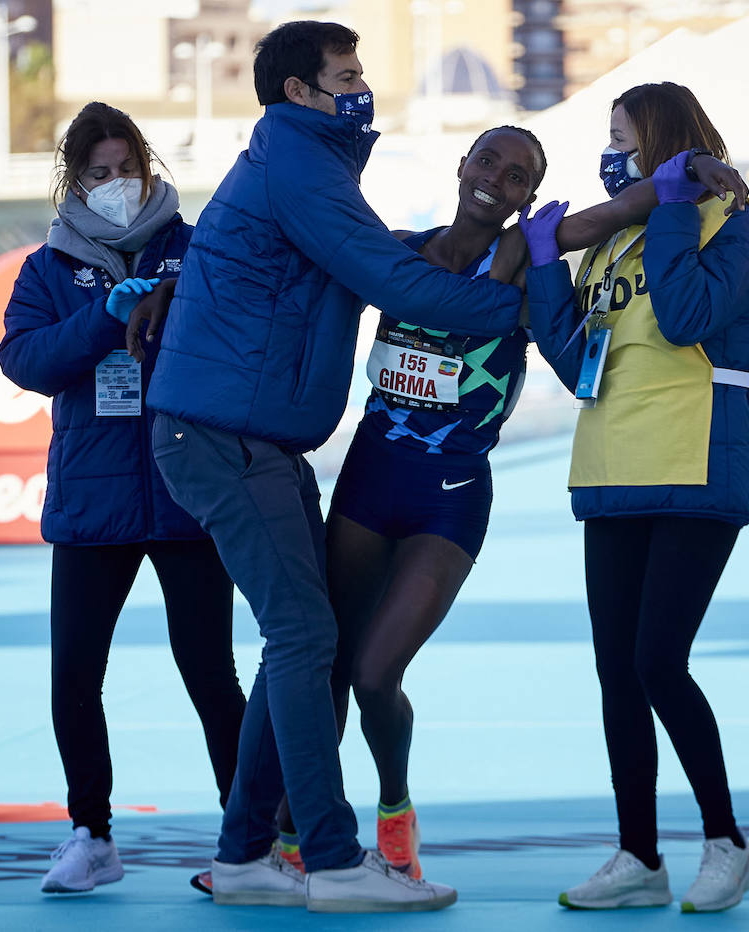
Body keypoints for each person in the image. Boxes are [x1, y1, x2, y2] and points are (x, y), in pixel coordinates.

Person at [141, 21, 569, 913]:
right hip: (229, 438)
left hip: (272, 443)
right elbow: (390, 276)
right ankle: (333, 860)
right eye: (348, 75)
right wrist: (502, 304)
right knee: (307, 640)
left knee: (302, 644)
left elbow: (295, 266)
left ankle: (246, 853)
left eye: (359, 74)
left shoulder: (312, 168)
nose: (362, 88)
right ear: (301, 91)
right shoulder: (306, 168)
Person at [529, 82, 749, 914]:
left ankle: (727, 843)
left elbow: (684, 318)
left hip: (697, 461)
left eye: (626, 139)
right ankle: (638, 856)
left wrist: (676, 207)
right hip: (612, 466)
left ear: (670, 147)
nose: (614, 156)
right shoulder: (610, 246)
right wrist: (546, 267)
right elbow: (571, 357)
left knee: (657, 660)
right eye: (607, 138)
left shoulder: (735, 225)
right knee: (617, 671)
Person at [0, 101, 246, 895]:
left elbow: (235, 342)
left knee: (211, 671)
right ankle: (91, 835)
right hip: (91, 501)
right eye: (97, 174)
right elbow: (24, 361)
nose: (115, 185)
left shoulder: (196, 250)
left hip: (187, 489)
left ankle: (250, 840)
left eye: (126, 169)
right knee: (74, 674)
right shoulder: (46, 268)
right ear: (74, 181)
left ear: (150, 169)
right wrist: (105, 322)